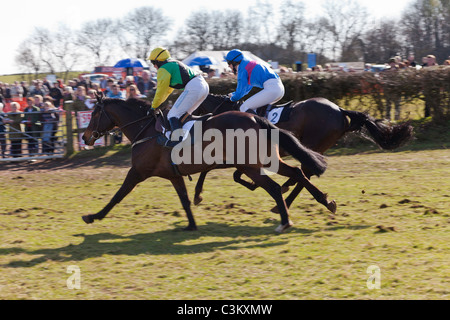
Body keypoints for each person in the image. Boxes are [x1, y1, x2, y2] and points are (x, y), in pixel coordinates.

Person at [147, 47, 209, 148]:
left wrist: (153, 107)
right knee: (183, 115)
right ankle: (189, 139)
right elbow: (167, 91)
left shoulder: (163, 68)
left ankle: (178, 141)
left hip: (194, 87)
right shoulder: (172, 63)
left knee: (172, 115)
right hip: (204, 86)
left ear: (158, 61)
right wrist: (157, 104)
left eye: (152, 62)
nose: (153, 66)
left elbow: (161, 91)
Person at [224, 49, 285, 114]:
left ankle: (258, 124)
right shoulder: (248, 64)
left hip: (272, 90)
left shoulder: (242, 69)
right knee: (258, 110)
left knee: (243, 108)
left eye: (228, 63)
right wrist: (233, 94)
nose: (228, 66)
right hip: (279, 89)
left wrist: (231, 99)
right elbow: (245, 89)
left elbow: (239, 94)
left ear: (234, 62)